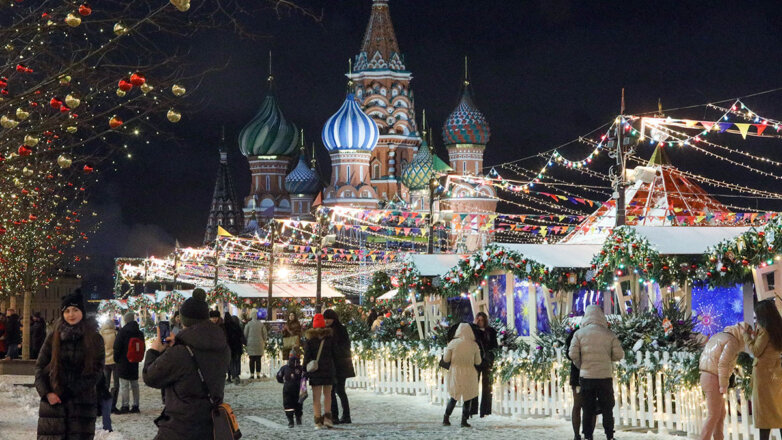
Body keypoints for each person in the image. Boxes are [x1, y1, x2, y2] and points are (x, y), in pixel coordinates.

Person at [143, 288, 231, 440]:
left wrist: (154, 351)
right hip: (210, 427)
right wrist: (178, 344)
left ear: (184, 321)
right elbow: (199, 357)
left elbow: (150, 377)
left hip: (180, 427)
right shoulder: (222, 346)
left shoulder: (180, 353)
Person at [35, 290, 104, 439]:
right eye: (67, 311)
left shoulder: (95, 339)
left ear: (82, 312)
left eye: (75, 310)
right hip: (54, 407)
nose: (71, 314)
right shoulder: (53, 337)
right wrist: (47, 393)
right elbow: (40, 367)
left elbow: (97, 371)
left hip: (82, 405)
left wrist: (72, 390)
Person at [569, 304, 624, 440]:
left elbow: (572, 354)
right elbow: (619, 355)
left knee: (587, 408)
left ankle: (588, 435)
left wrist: (581, 365)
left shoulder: (579, 334)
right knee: (607, 408)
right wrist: (606, 359)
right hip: (604, 377)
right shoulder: (609, 334)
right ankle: (609, 435)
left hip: (586, 377)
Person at [743, 300, 782, 440]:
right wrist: (756, 335)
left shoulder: (765, 331)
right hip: (776, 373)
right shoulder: (777, 329)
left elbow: (756, 351)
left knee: (764, 412)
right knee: (778, 410)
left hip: (764, 376)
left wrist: (746, 336)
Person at [698, 324, 744, 440]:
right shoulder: (732, 341)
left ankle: (718, 437)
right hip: (714, 377)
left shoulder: (718, 336)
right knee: (714, 414)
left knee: (720, 413)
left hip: (705, 375)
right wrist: (723, 385)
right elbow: (723, 364)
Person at [442, 322, 482, 428]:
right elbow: (478, 362)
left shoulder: (453, 343)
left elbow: (446, 359)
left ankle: (446, 417)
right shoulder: (474, 345)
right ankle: (464, 421)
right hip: (470, 372)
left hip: (456, 372)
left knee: (454, 396)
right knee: (468, 397)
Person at [303, 313, 337, 429]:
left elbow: (307, 357)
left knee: (316, 397)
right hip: (328, 369)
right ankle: (327, 418)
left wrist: (304, 371)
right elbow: (335, 354)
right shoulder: (329, 338)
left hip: (315, 371)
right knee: (328, 395)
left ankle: (318, 421)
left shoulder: (310, 339)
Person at [323, 309, 355, 424]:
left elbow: (344, 346)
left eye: (328, 318)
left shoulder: (339, 329)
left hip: (340, 365)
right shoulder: (327, 330)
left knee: (339, 390)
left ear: (333, 318)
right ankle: (337, 416)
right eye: (325, 318)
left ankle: (343, 416)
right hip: (334, 365)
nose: (326, 321)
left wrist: (334, 351)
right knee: (334, 391)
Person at [114, 311, 144, 414]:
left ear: (126, 320)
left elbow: (117, 347)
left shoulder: (122, 332)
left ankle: (125, 405)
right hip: (134, 361)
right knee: (135, 384)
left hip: (123, 361)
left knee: (125, 385)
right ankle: (136, 405)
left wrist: (116, 359)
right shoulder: (139, 332)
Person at [471, 312, 498, 418]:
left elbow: (494, 345)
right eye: (478, 320)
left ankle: (485, 410)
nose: (480, 322)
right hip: (476, 361)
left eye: (482, 320)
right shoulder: (474, 331)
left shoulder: (491, 331)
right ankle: (472, 410)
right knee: (473, 386)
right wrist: (474, 325)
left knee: (487, 386)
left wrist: (491, 356)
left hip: (487, 361)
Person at [276, 348, 304, 428]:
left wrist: (283, 382)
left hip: (288, 389)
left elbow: (279, 376)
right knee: (298, 404)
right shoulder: (301, 368)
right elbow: (305, 377)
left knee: (288, 405)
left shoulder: (285, 367)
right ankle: (298, 418)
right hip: (298, 389)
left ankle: (290, 421)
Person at [100, 319, 120, 413]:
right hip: (115, 361)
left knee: (106, 384)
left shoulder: (101, 334)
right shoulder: (116, 334)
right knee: (116, 384)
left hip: (105, 362)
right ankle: (113, 405)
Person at [244, 309, 268, 379]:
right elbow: (265, 334)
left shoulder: (248, 324)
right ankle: (258, 374)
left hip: (250, 343)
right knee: (258, 359)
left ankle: (251, 374)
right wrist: (264, 340)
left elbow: (245, 334)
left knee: (251, 359)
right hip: (259, 344)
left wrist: (246, 341)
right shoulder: (261, 324)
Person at [224, 312, 245, 384]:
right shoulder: (237, 326)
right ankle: (236, 375)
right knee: (237, 362)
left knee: (230, 362)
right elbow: (241, 336)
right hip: (237, 348)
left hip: (229, 348)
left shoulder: (225, 327)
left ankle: (230, 376)